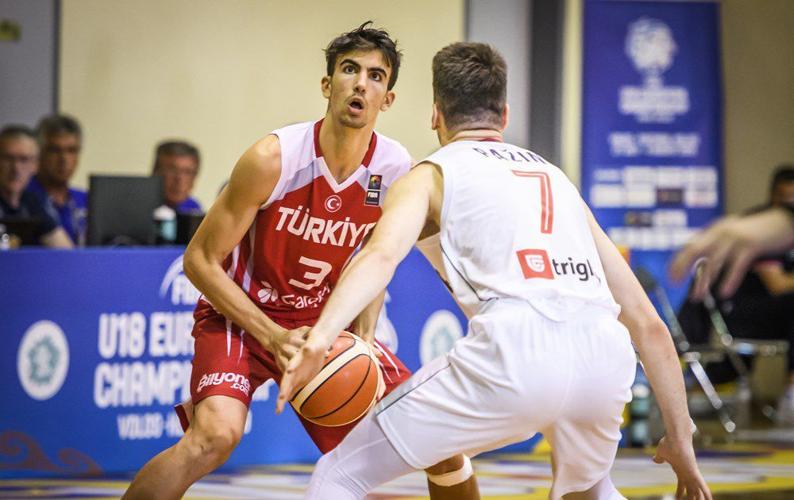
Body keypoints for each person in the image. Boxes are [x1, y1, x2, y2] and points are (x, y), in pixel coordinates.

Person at [278, 42, 711, 499]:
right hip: (602, 360)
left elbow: (379, 257)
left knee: (338, 476)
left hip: (515, 350)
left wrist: (321, 336)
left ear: (435, 114)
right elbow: (649, 325)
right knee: (591, 490)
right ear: (503, 116)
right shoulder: (557, 179)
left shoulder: (429, 174)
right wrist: (681, 438)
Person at [123, 23, 478, 500]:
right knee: (214, 437)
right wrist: (271, 334)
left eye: (376, 76)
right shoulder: (274, 157)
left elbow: (377, 256)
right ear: (328, 85)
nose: (361, 84)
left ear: (387, 99)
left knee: (439, 440)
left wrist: (366, 338)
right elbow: (200, 261)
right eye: (349, 70)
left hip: (321, 326)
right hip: (243, 317)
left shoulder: (395, 168)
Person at [676, 166, 794, 425]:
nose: (789, 206)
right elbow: (778, 284)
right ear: (772, 197)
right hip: (744, 314)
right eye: (785, 202)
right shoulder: (759, 230)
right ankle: (791, 391)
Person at [0, 125, 72, 248]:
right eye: (8, 158)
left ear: (36, 165)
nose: (16, 169)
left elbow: (66, 252)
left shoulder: (34, 203)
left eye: (24, 160)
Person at [26, 114, 88, 245]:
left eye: (71, 150)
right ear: (39, 153)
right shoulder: (22, 198)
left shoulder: (86, 201)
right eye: (55, 150)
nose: (63, 159)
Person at [151, 140, 203, 213]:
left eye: (187, 172)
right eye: (172, 170)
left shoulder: (193, 209)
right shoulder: (138, 207)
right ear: (155, 172)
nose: (179, 179)